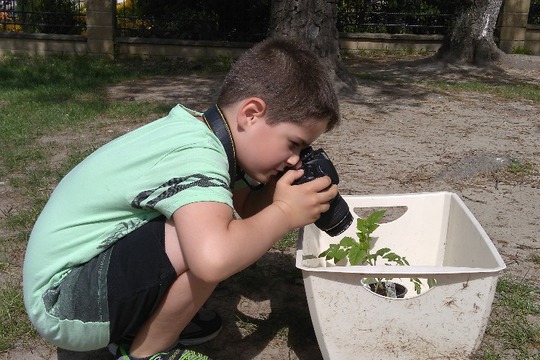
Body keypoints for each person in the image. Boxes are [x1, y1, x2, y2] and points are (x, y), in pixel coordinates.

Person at [23, 37, 341, 360]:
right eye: (294, 144)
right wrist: (286, 213)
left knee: (214, 220)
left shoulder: (201, 132)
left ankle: (151, 321)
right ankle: (149, 351)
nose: (294, 159)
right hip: (62, 302)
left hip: (76, 277)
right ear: (251, 114)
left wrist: (288, 191)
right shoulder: (199, 155)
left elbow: (244, 204)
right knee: (213, 237)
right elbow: (213, 257)